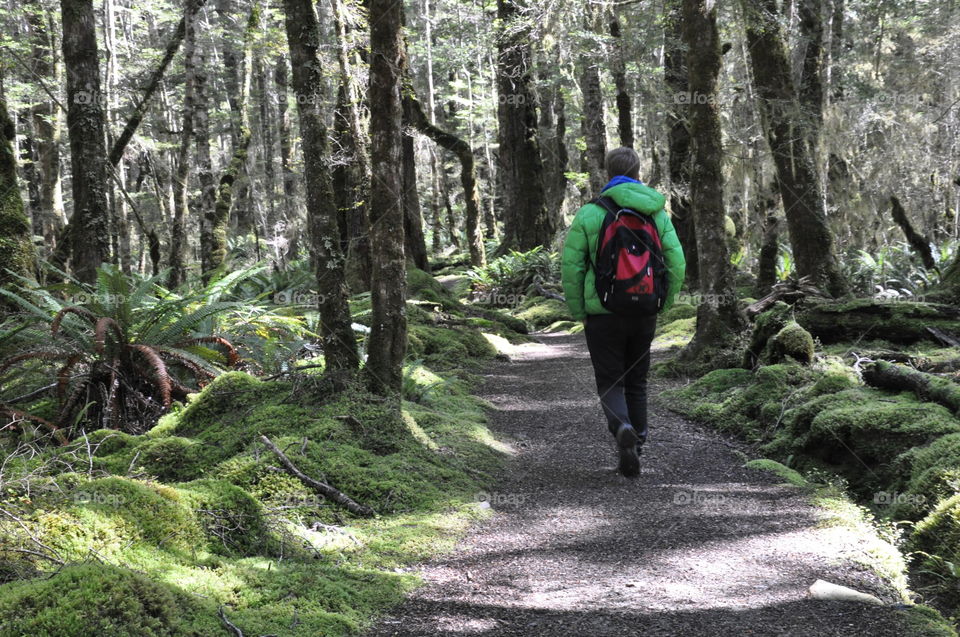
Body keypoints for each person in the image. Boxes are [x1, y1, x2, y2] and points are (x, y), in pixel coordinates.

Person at [561, 147, 685, 477]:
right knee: (637, 381)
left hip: (602, 312)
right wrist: (663, 302)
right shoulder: (657, 212)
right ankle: (638, 443)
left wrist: (579, 311)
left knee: (610, 379)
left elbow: (571, 267)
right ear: (638, 170)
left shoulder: (590, 213)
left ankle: (621, 429)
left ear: (607, 172)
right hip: (644, 310)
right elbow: (676, 262)